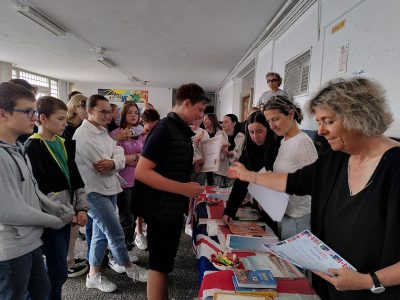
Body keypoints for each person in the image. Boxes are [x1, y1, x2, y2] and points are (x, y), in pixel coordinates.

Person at [228, 77, 400, 299]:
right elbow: (294, 182)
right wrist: (248, 175)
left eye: (328, 121)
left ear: (358, 117)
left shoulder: (394, 168)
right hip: (331, 288)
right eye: (318, 122)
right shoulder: (336, 158)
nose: (320, 131)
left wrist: (369, 280)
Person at [133, 83, 209, 300]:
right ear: (186, 103)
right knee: (159, 264)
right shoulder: (165, 129)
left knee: (164, 262)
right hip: (160, 208)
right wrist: (183, 188)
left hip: (169, 207)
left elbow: (172, 167)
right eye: (200, 110)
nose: (201, 116)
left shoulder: (178, 130)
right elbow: (142, 172)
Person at [0, 82, 73, 300]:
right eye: (28, 112)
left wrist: (55, 207)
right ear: (3, 113)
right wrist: (53, 220)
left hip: (30, 241)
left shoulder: (17, 148)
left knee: (42, 291)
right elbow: (9, 210)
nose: (34, 117)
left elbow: (32, 189)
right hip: (11, 248)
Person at [73, 94, 147, 293]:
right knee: (114, 231)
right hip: (93, 192)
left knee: (100, 236)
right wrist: (116, 161)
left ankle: (93, 276)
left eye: (109, 111)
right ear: (89, 111)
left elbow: (116, 154)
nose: (108, 115)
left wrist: (115, 161)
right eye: (103, 111)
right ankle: (131, 270)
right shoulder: (82, 135)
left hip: (109, 187)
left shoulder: (103, 131)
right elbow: (102, 163)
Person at [25, 96, 89, 299]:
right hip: (50, 220)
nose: (65, 123)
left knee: (60, 268)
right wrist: (68, 212)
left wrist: (81, 207)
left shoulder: (63, 143)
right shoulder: (32, 146)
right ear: (42, 118)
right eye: (60, 119)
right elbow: (41, 190)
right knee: (55, 271)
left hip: (66, 216)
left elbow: (76, 178)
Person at [263, 96, 318, 239]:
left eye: (275, 119)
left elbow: (316, 183)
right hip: (284, 212)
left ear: (291, 114)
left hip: (298, 217)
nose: (271, 126)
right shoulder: (284, 141)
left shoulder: (302, 142)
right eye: (268, 121)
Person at [222, 111, 281, 233]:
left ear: (269, 129)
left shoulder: (278, 147)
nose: (255, 136)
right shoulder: (249, 150)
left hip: (280, 207)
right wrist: (230, 211)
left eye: (259, 131)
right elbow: (240, 182)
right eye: (251, 132)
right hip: (261, 204)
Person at [109, 101, 144, 268]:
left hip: (139, 179)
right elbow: (112, 157)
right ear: (123, 114)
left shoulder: (140, 134)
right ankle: (119, 253)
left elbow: (144, 155)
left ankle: (128, 247)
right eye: (130, 112)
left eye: (136, 113)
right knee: (126, 218)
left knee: (134, 215)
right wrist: (132, 159)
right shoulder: (116, 134)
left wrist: (134, 159)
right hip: (123, 181)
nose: (133, 115)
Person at [217, 113, 245, 188]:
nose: (223, 124)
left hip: (234, 171)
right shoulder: (219, 135)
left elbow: (240, 154)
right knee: (218, 194)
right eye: (222, 122)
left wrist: (231, 154)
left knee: (230, 194)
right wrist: (221, 151)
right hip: (220, 170)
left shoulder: (241, 136)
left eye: (226, 122)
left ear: (234, 123)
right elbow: (214, 152)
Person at [202, 113, 229, 186]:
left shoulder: (220, 134)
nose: (203, 121)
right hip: (209, 168)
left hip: (218, 170)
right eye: (203, 119)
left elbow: (223, 154)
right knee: (209, 192)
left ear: (212, 120)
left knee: (217, 193)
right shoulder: (205, 134)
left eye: (205, 119)